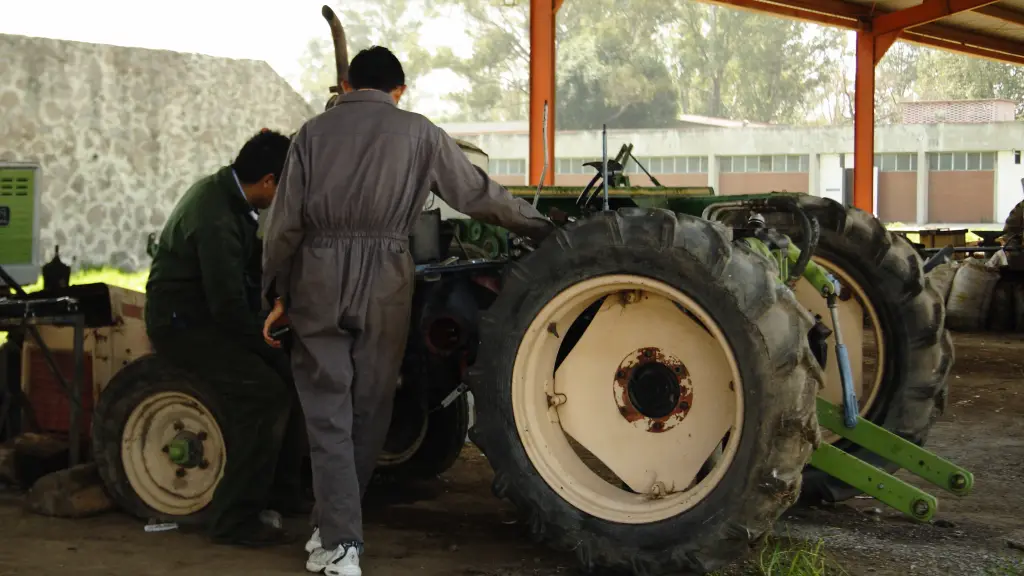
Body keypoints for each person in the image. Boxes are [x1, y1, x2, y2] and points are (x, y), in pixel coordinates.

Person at [260, 46, 554, 576]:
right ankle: (339, 537)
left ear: (347, 85)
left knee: (327, 412)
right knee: (371, 408)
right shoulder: (419, 132)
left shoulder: (311, 134)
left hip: (319, 273)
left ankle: (337, 536)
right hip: (386, 275)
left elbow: (283, 226)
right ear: (399, 89)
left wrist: (276, 290)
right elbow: (477, 194)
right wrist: (541, 227)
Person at [145, 129, 309, 548]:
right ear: (269, 181)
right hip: (184, 327)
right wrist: (265, 340)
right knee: (264, 394)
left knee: (292, 376)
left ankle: (284, 493)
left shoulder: (229, 198)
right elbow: (226, 306)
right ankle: (234, 518)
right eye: (285, 186)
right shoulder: (215, 213)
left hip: (210, 318)